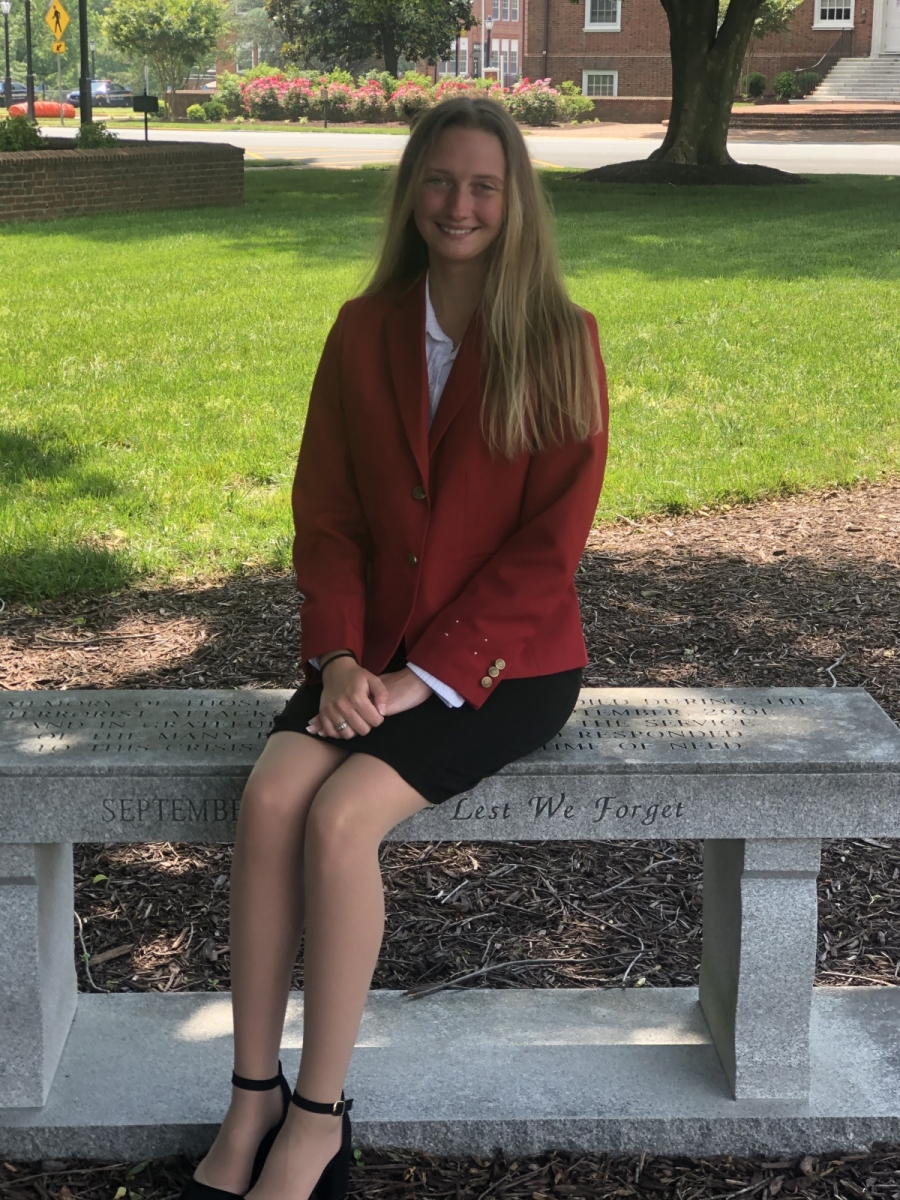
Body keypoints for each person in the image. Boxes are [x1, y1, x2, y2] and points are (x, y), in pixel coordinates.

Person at [180, 95, 609, 1200]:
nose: (459, 204)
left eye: (484, 186)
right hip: (362, 658)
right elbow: (326, 516)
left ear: (515, 203)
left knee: (339, 818)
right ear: (412, 192)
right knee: (271, 799)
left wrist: (426, 679)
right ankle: (251, 1098)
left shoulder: (560, 338)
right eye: (440, 180)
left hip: (504, 668)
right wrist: (336, 659)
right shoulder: (362, 329)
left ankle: (316, 1123)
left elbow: (548, 547)